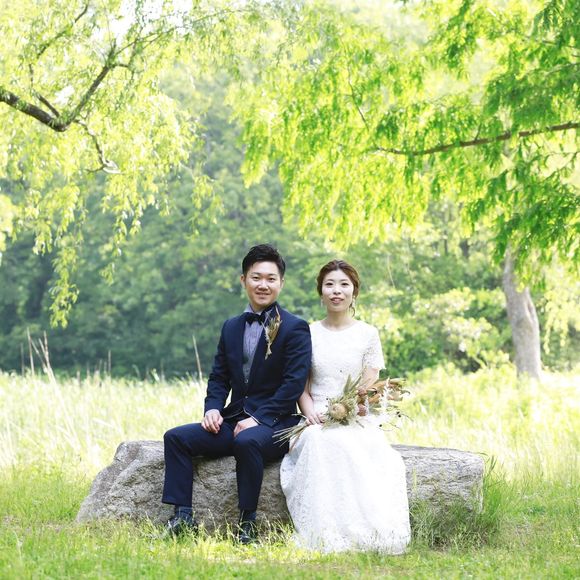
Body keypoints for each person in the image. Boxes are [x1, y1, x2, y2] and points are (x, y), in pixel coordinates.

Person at [162, 244, 312, 543]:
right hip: (233, 419)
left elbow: (293, 384)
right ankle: (183, 518)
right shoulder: (231, 326)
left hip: (276, 423)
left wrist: (258, 418)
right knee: (176, 437)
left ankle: (247, 525)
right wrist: (212, 408)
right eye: (256, 277)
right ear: (244, 280)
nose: (263, 284)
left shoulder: (295, 327)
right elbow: (219, 377)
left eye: (271, 278)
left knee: (247, 441)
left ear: (281, 283)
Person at [280, 259, 411, 553]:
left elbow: (368, 385)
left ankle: (366, 530)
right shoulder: (308, 332)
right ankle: (323, 531)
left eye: (343, 285)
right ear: (321, 292)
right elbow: (301, 385)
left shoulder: (367, 334)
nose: (336, 291)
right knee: (319, 441)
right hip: (316, 415)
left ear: (354, 291)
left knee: (365, 449)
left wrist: (355, 406)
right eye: (329, 285)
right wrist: (309, 412)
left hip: (354, 415)